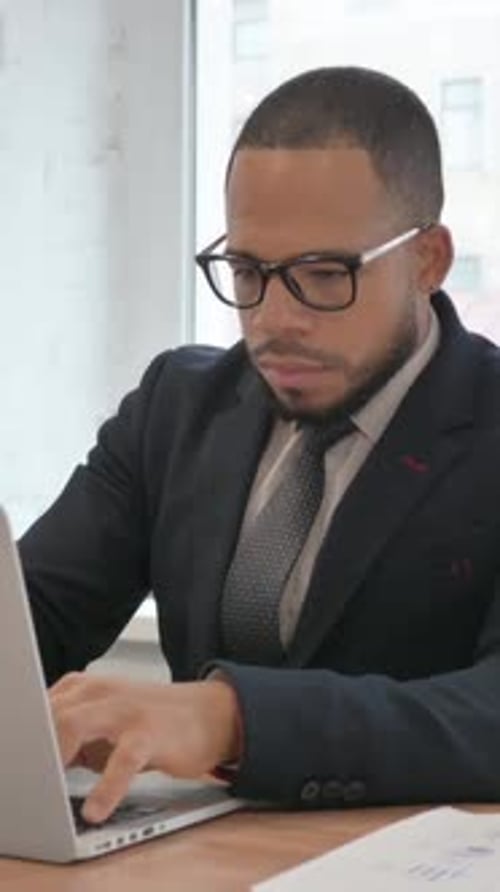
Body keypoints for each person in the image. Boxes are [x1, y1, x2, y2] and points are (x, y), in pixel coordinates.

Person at [19, 66, 500, 825]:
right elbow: (36, 613)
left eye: (323, 274)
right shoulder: (176, 407)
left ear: (427, 260)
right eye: (247, 271)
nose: (274, 319)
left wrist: (232, 717)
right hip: (199, 865)